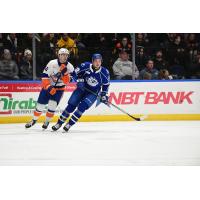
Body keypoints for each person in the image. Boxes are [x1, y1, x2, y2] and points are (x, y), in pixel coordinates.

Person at [52, 53, 110, 133]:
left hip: (92, 93)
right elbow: (74, 75)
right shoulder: (85, 66)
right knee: (71, 106)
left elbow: (106, 85)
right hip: (81, 89)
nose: (97, 63)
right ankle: (59, 123)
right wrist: (78, 80)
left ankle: (69, 124)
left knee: (82, 108)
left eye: (99, 61)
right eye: (96, 61)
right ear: (92, 61)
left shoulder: (105, 72)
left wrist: (104, 95)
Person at [25, 48, 74, 129]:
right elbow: (44, 75)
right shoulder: (52, 63)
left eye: (66, 55)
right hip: (47, 87)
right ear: (59, 55)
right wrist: (48, 87)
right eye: (62, 55)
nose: (64, 57)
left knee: (52, 106)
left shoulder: (70, 67)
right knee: (40, 106)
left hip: (59, 90)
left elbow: (70, 80)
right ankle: (34, 120)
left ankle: (47, 121)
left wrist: (65, 74)